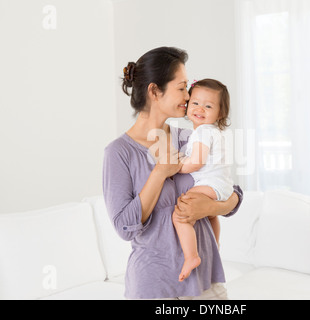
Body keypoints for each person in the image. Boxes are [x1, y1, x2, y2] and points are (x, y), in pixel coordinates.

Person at [102, 47, 243, 300]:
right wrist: (159, 173)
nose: (188, 96)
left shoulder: (191, 139)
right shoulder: (119, 153)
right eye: (181, 87)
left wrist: (209, 208)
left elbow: (232, 194)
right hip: (156, 286)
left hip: (205, 281)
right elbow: (124, 228)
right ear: (155, 91)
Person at [174, 79, 234, 282]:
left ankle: (191, 256)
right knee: (210, 216)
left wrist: (178, 165)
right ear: (188, 104)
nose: (200, 109)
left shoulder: (202, 131)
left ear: (220, 113)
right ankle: (215, 246)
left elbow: (196, 163)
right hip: (222, 185)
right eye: (195, 103)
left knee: (181, 214)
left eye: (208, 106)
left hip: (210, 184)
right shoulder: (214, 132)